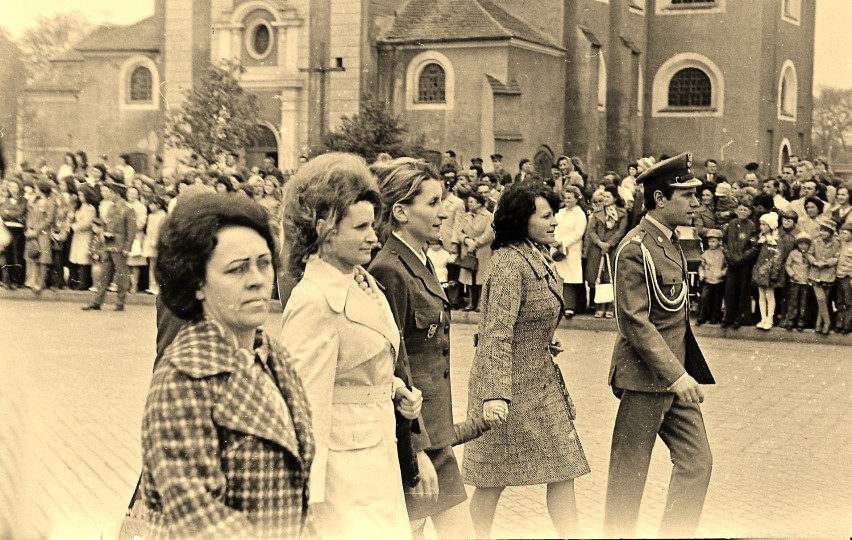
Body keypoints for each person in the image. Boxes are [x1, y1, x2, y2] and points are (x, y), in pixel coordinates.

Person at [138, 192, 314, 538]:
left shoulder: (272, 356)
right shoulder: (182, 378)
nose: (257, 279)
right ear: (197, 283)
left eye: (264, 263)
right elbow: (199, 518)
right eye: (237, 269)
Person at [280, 153, 421, 539]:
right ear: (324, 228)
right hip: (342, 479)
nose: (374, 237)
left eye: (372, 226)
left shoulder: (360, 281)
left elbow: (358, 364)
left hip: (376, 460)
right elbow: (303, 406)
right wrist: (305, 497)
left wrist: (394, 389)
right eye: (360, 227)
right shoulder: (313, 301)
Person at [463, 181, 589, 539]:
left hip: (540, 384)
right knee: (491, 480)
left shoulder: (533, 254)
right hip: (506, 391)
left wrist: (544, 338)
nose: (554, 223)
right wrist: (495, 395)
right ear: (522, 220)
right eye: (546, 216)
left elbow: (526, 317)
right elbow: (495, 334)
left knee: (564, 467)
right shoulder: (508, 264)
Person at [604, 152, 715, 538]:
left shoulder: (668, 241)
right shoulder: (636, 248)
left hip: (675, 377)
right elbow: (634, 322)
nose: (696, 203)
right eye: (687, 195)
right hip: (646, 379)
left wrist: (681, 374)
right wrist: (676, 375)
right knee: (628, 480)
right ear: (659, 199)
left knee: (697, 463)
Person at [368, 157, 475, 539]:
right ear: (400, 211)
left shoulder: (421, 262)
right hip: (414, 438)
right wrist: (416, 451)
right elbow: (394, 365)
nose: (444, 212)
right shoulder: (390, 270)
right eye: (432, 203)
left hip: (435, 434)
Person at [82, 179, 136, 311]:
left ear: (117, 194)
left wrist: (127, 248)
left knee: (121, 275)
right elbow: (106, 225)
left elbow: (131, 231)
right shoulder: (111, 208)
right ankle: (97, 301)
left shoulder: (128, 210)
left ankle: (120, 302)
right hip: (108, 244)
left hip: (119, 246)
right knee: (104, 274)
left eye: (111, 192)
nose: (109, 195)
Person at [585, 185, 628, 318]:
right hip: (598, 249)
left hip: (613, 249)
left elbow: (621, 230)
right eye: (603, 196)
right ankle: (599, 306)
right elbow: (591, 230)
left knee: (611, 276)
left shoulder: (622, 213)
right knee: (598, 277)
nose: (605, 199)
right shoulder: (597, 213)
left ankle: (611, 306)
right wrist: (600, 243)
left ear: (615, 198)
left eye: (608, 196)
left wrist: (609, 244)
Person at [722, 200, 759, 328]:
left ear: (749, 212)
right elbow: (724, 243)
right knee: (729, 290)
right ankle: (728, 317)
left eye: (745, 210)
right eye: (740, 209)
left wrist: (742, 257)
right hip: (732, 263)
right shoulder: (730, 224)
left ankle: (741, 317)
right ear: (736, 210)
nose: (742, 212)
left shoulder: (752, 226)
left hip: (744, 264)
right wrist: (728, 255)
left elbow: (754, 247)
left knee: (743, 290)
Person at [552, 184, 587, 318]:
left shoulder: (579, 214)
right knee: (558, 276)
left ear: (577, 199)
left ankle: (569, 306)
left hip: (571, 249)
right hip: (556, 247)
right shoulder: (560, 212)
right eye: (565, 198)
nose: (567, 200)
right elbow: (554, 226)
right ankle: (558, 305)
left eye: (570, 198)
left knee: (570, 278)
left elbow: (578, 233)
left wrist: (563, 242)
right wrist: (554, 241)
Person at [457, 191, 494, 311]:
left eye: (472, 202)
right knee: (469, 277)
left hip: (482, 250)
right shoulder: (466, 216)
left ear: (479, 203)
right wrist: (467, 240)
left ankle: (480, 304)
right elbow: (459, 231)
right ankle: (471, 303)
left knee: (480, 279)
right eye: (469, 202)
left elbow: (490, 233)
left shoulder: (488, 216)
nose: (469, 204)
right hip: (468, 250)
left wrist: (476, 243)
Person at [807, 218, 841, 335]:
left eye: (826, 231)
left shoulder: (836, 243)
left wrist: (826, 263)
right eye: (822, 230)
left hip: (828, 274)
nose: (823, 233)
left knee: (824, 300)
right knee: (820, 299)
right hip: (815, 273)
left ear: (831, 233)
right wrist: (814, 262)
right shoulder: (815, 241)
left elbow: (837, 258)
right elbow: (809, 253)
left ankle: (819, 324)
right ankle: (827, 322)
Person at [751, 212, 784, 330]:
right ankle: (763, 318)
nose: (762, 227)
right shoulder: (760, 240)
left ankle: (770, 319)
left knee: (770, 296)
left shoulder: (776, 241)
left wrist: (774, 272)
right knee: (761, 296)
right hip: (759, 271)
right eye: (761, 224)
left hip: (769, 272)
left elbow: (777, 257)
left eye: (765, 224)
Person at [782, 232, 813, 331]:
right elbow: (787, 265)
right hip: (795, 281)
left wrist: (810, 277)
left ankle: (801, 321)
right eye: (801, 244)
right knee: (793, 301)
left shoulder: (810, 255)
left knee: (803, 302)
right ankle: (791, 320)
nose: (803, 246)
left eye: (805, 244)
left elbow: (813, 266)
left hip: (805, 282)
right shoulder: (793, 253)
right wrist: (792, 274)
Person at [696, 228, 726, 325]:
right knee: (704, 298)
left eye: (713, 241)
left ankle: (715, 317)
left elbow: (727, 265)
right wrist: (701, 273)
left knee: (717, 299)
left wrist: (723, 272)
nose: (711, 244)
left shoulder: (723, 253)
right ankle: (702, 317)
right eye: (709, 241)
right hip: (708, 279)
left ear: (719, 241)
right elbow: (701, 265)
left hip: (718, 279)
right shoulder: (706, 253)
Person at [834, 222, 852, 334]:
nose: (842, 235)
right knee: (840, 301)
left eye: (845, 233)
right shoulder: (840, 244)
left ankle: (847, 324)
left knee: (849, 301)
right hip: (838, 275)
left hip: (848, 276)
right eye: (841, 233)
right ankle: (839, 323)